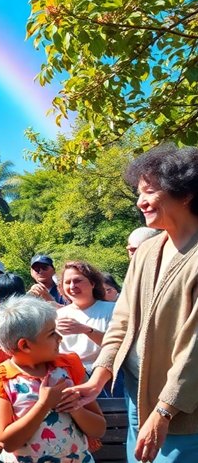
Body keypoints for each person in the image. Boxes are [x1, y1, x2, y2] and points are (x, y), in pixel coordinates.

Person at [75, 145, 198, 463]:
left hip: (182, 412)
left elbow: (194, 349)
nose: (141, 202)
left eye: (149, 192)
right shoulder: (146, 250)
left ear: (185, 194)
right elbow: (123, 319)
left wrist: (164, 409)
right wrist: (98, 376)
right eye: (138, 193)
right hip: (136, 395)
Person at [0, 296, 105, 462]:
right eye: (51, 333)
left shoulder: (69, 365)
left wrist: (75, 408)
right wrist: (44, 404)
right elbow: (7, 442)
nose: (59, 337)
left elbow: (99, 429)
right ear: (25, 345)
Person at [55, 261, 116, 377]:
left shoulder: (112, 310)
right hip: (67, 375)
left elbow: (116, 346)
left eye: (77, 281)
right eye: (67, 282)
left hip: (103, 374)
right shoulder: (58, 315)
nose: (72, 286)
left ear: (92, 283)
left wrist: (87, 330)